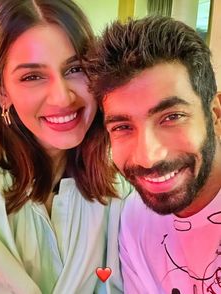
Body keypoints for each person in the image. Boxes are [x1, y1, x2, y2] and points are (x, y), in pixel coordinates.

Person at [0, 0, 130, 293]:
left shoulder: (124, 182)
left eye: (75, 68)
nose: (62, 98)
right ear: (2, 91)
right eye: (32, 76)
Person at [86, 15, 221, 294]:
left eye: (172, 117)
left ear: (216, 115)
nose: (148, 157)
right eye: (123, 126)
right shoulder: (135, 220)